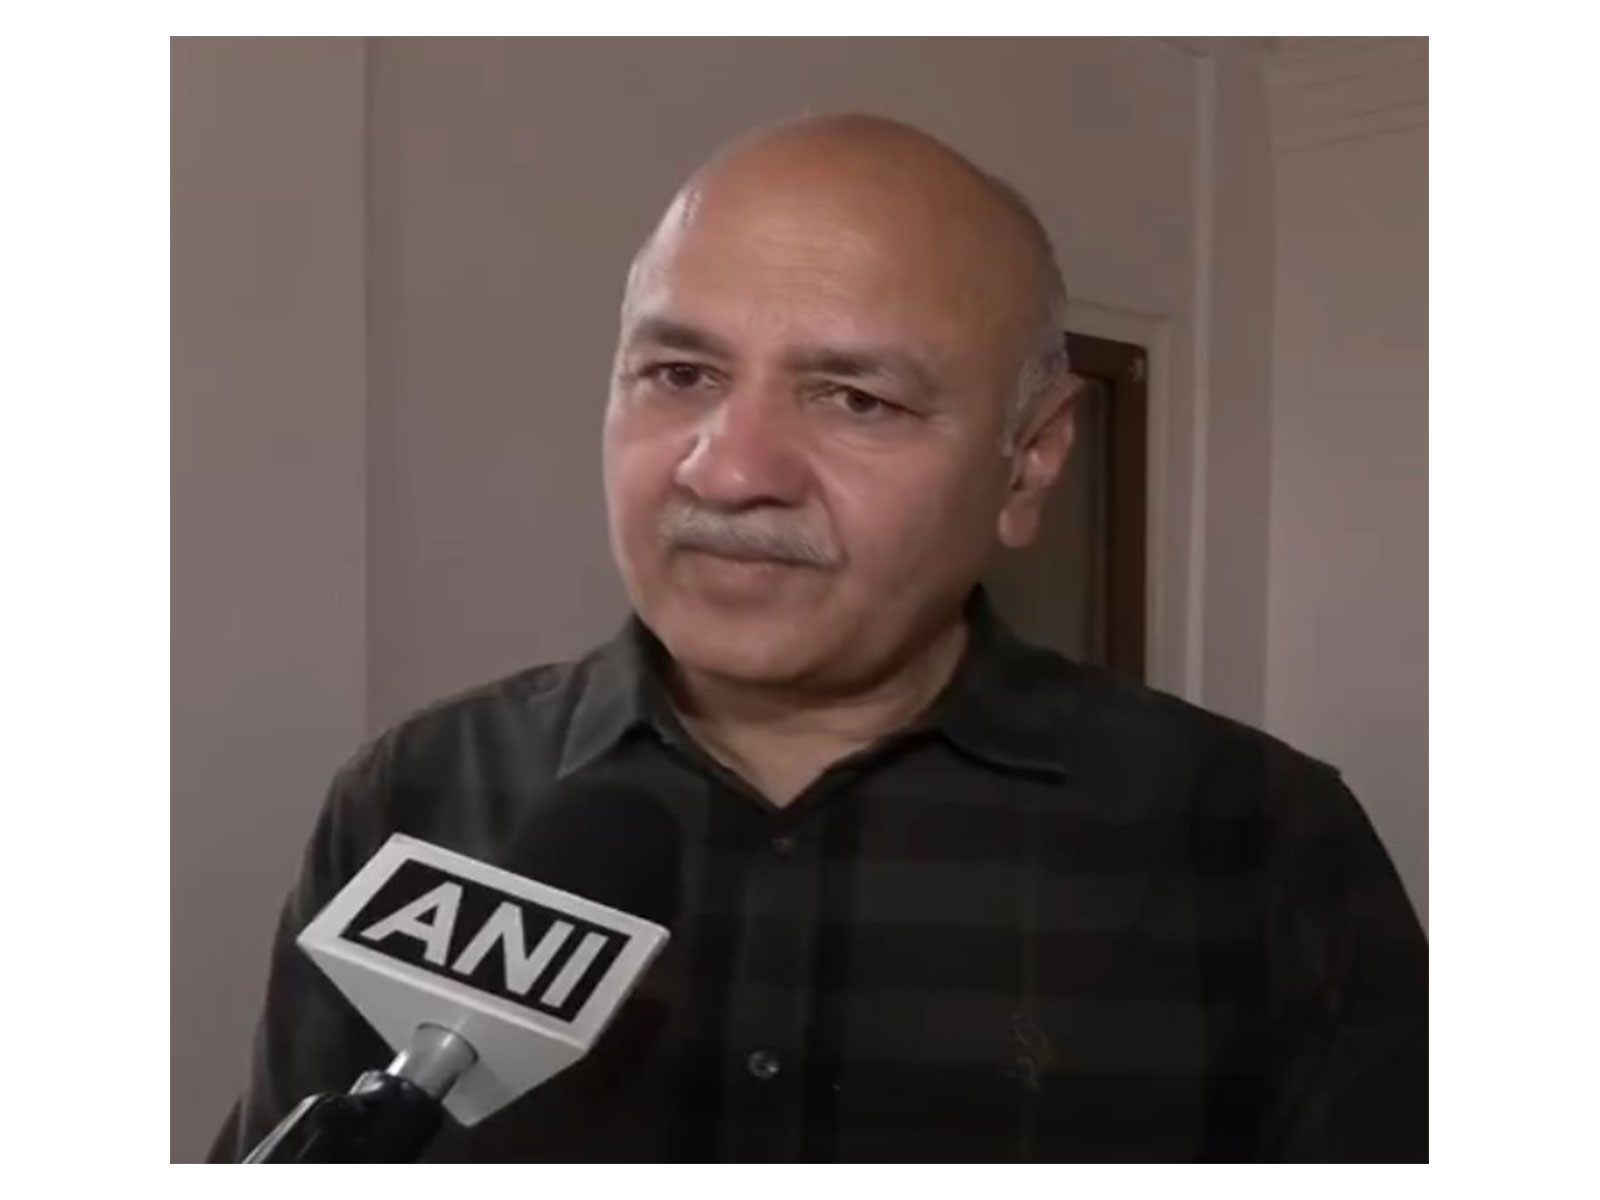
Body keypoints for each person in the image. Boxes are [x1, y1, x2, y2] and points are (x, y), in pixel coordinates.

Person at [209, 114, 1427, 1162]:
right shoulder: (418, 794)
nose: (728, 469)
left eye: (856, 398)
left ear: (1029, 461)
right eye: (680, 373)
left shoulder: (1260, 843)